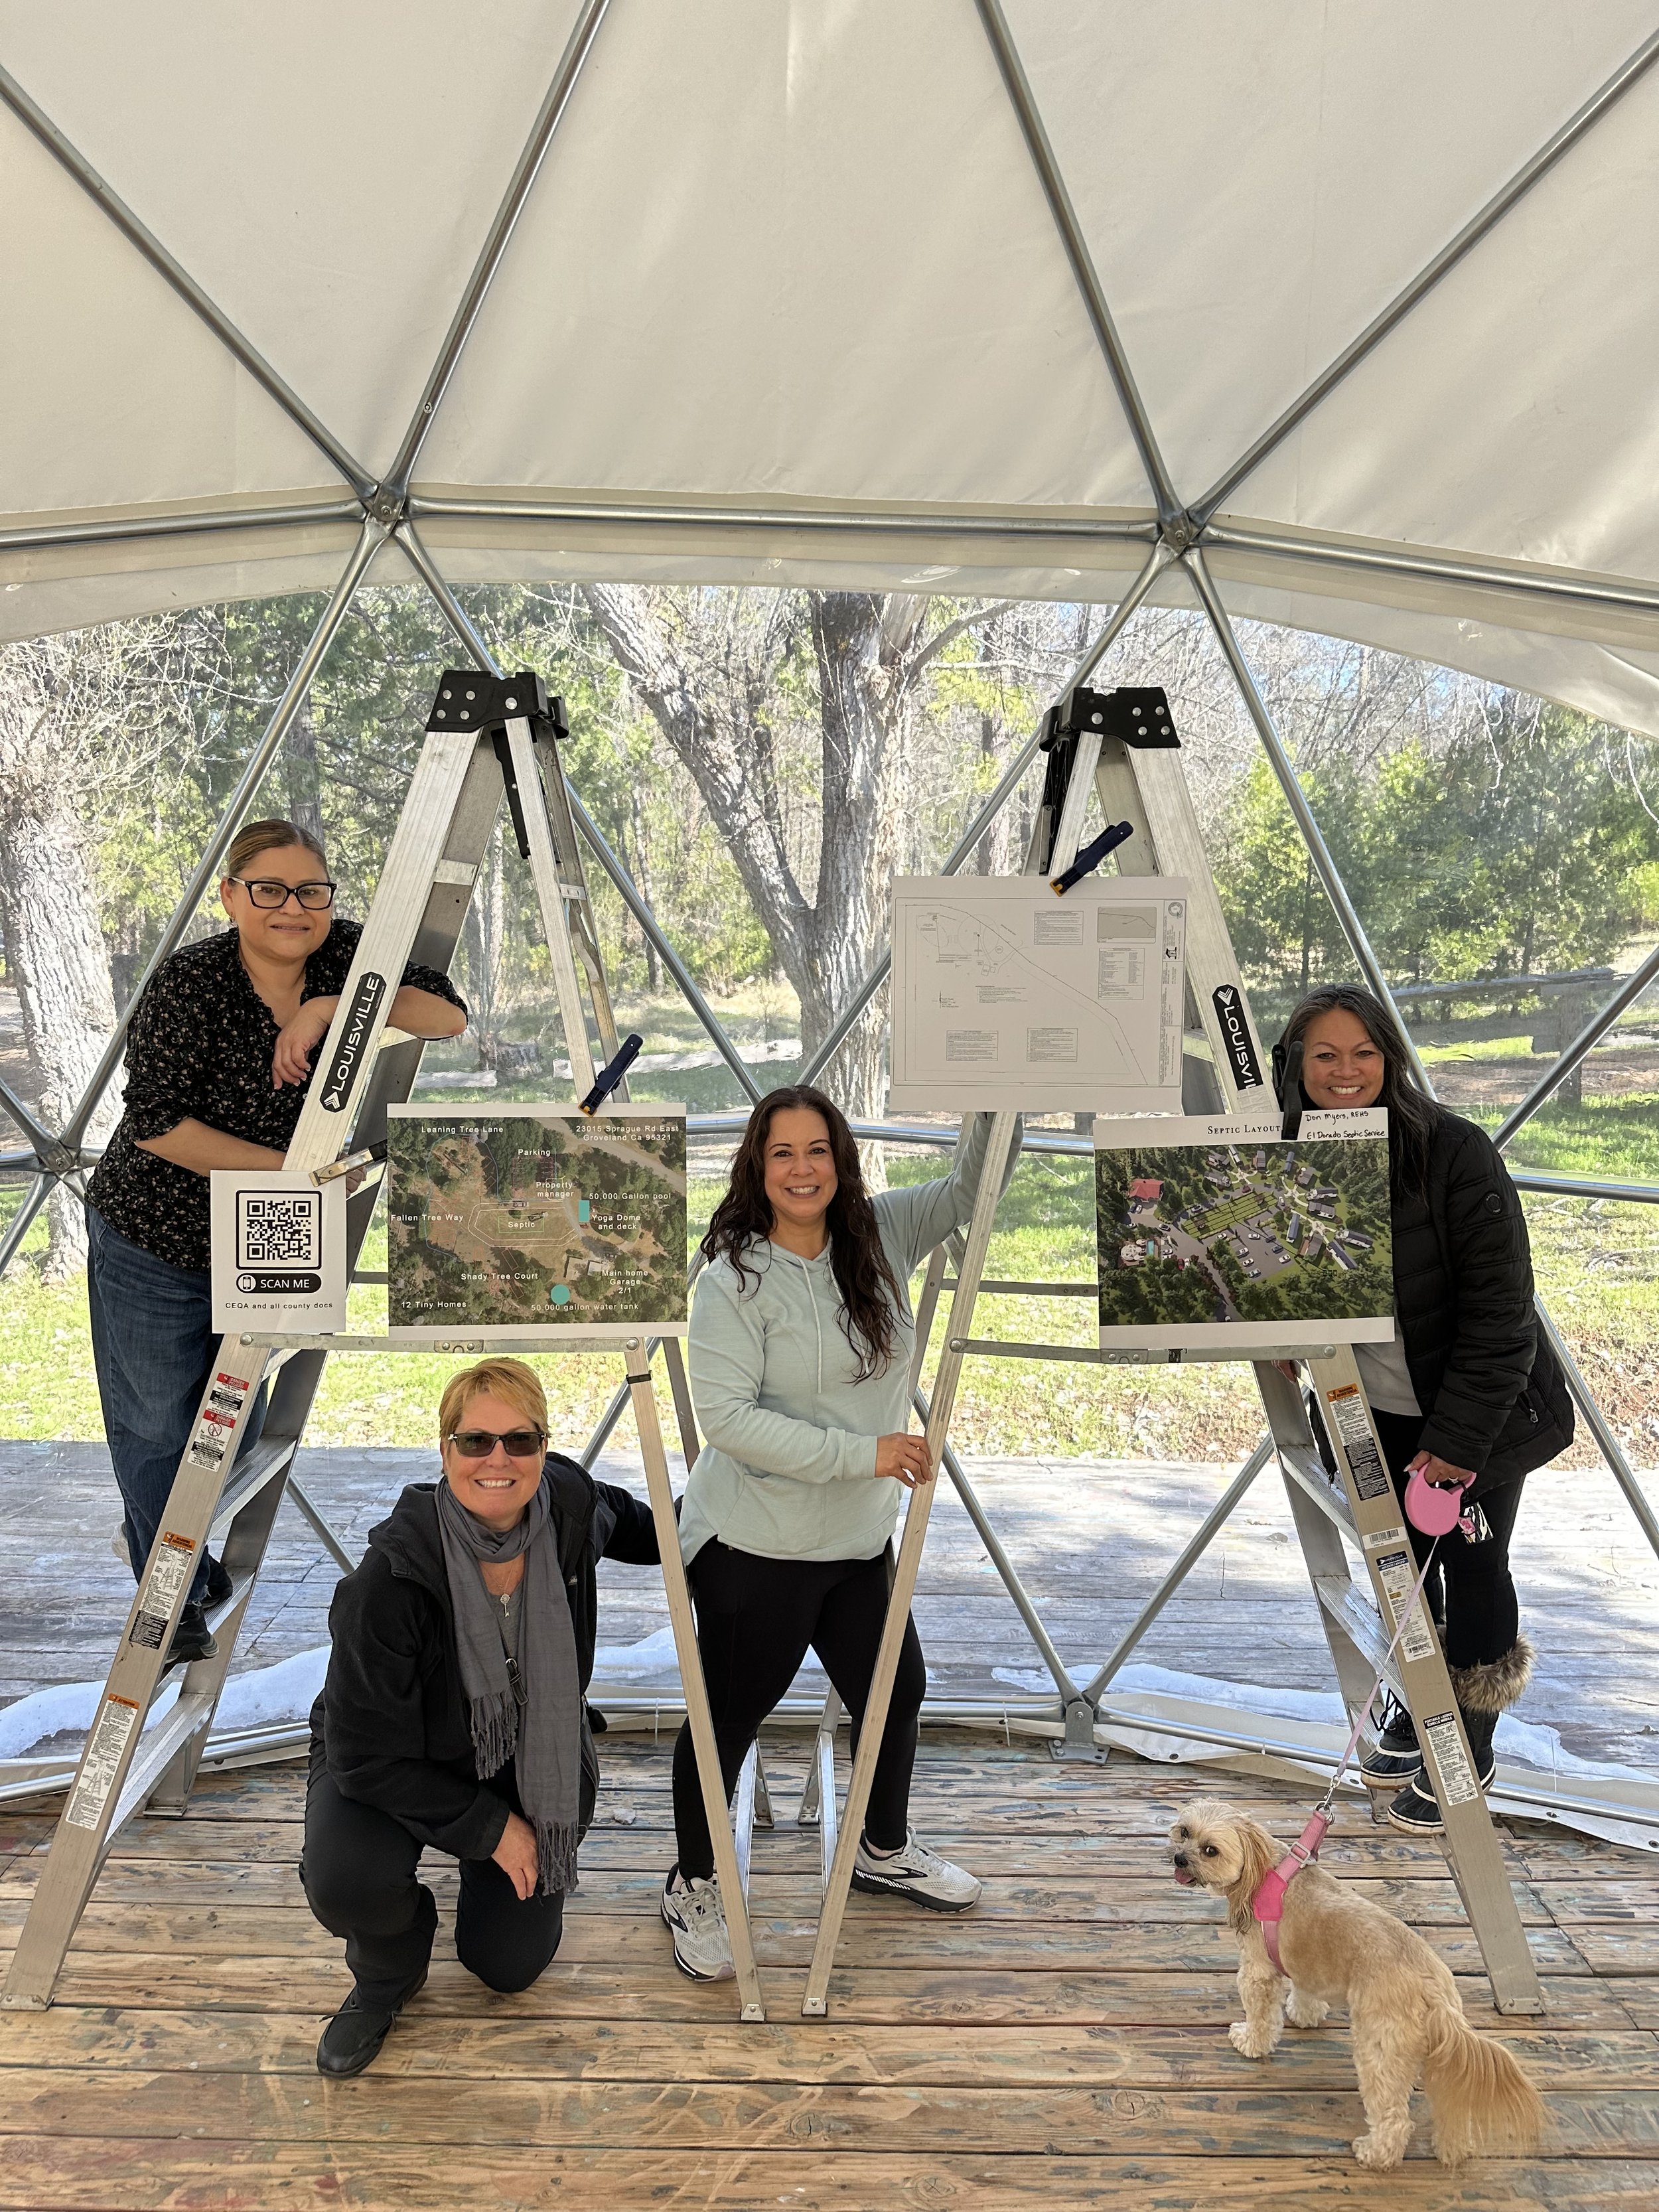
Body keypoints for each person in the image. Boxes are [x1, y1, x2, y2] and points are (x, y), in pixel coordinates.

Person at [660, 1085, 1021, 1979]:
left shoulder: (880, 1234)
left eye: (817, 1149)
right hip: (756, 1542)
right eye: (782, 1152)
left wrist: (998, 1089)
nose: (801, 1169)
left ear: (841, 1157)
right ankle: (694, 1878)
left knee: (897, 1692)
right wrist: (864, 1454)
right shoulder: (730, 1277)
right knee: (728, 1716)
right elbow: (730, 1421)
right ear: (756, 1164)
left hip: (857, 1541)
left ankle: (880, 1848)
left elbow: (976, 1187)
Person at [85, 819, 467, 1664]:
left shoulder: (346, 960)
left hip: (270, 1234)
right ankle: (167, 1585)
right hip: (159, 1230)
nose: (292, 907)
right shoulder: (191, 982)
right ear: (231, 896)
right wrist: (286, 1172)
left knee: (239, 1421)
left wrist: (339, 1008)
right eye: (269, 889)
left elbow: (447, 1016)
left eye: (311, 891)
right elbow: (155, 1126)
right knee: (154, 1421)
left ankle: (160, 1542)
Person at [302, 1357, 660, 2077]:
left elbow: (646, 1529)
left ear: (543, 1450)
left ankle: (486, 1883)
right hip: (392, 1764)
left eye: (520, 1441)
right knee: (349, 1879)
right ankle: (386, 1970)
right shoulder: (388, 1583)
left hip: (532, 1757)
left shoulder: (569, 1507)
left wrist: (734, 1534)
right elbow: (365, 1756)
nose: (498, 1459)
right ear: (445, 1452)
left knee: (508, 1967)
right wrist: (490, 1828)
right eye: (475, 1442)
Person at [1274, 985, 1573, 1834]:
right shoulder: (1285, 1155)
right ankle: (1422, 1704)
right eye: (1324, 1055)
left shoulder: (1453, 1151)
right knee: (1406, 1573)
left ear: (1391, 1058)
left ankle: (1468, 1745)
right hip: (1370, 1414)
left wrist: (1455, 1443)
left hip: (1477, 1418)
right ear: (1296, 1064)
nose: (1344, 1072)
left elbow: (1501, 1315)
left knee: (1474, 1568)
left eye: (1362, 1053)